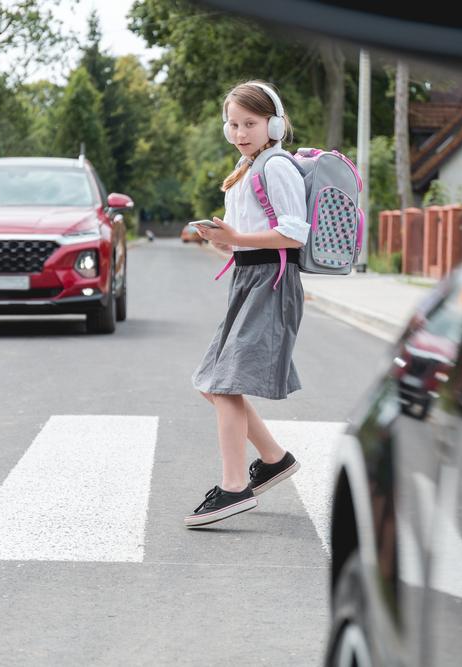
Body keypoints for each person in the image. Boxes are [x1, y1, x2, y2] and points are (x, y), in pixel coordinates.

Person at [185, 80, 308, 528]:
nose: (240, 132)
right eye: (233, 124)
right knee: (211, 382)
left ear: (273, 125)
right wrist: (224, 242)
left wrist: (236, 238)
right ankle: (273, 459)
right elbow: (246, 241)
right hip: (247, 278)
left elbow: (295, 233)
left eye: (250, 123)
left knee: (223, 384)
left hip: (272, 283)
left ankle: (235, 488)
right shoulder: (246, 168)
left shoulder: (277, 167)